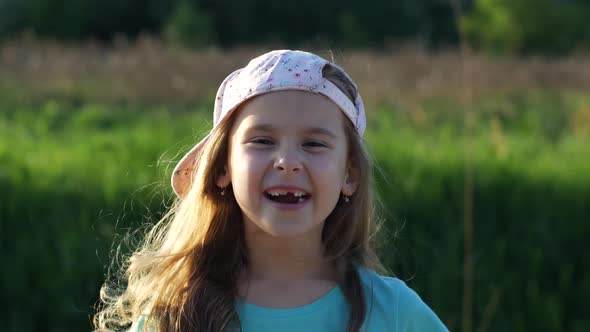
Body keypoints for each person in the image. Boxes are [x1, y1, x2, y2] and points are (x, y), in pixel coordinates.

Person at [94, 50, 448, 332]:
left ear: (350, 175)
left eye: (314, 143)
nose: (287, 162)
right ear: (221, 169)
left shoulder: (396, 314)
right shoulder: (177, 314)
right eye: (262, 141)